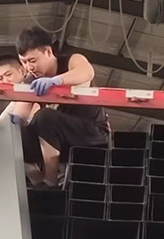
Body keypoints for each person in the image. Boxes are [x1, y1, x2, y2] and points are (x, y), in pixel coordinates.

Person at [16, 26, 110, 187]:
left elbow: (87, 72)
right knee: (16, 135)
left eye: (32, 61)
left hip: (92, 134)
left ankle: (50, 180)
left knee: (45, 117)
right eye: (23, 62)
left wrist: (56, 81)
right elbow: (19, 116)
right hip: (62, 140)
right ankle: (38, 179)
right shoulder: (31, 81)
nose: (29, 67)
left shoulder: (72, 61)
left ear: (48, 51)